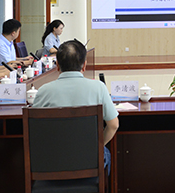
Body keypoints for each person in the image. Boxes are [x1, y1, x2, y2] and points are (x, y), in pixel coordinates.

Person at [33, 39, 119, 172]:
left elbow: (35, 130)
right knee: (105, 153)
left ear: (57, 66)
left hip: (52, 162)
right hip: (88, 161)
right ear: (84, 65)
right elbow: (113, 125)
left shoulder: (43, 91)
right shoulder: (98, 88)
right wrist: (96, 146)